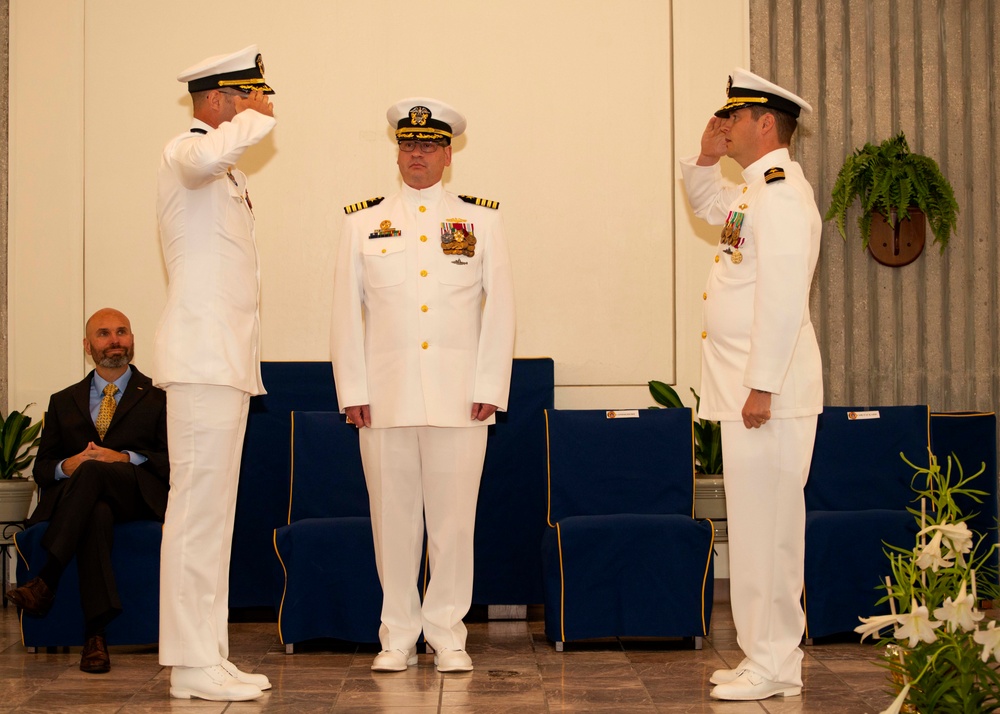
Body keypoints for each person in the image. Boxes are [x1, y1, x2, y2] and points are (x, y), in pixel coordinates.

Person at [331, 98, 516, 674]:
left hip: (463, 397)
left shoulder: (481, 219)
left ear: (448, 153)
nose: (418, 153)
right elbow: (344, 313)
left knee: (455, 522)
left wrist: (491, 383)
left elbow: (501, 309)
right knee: (393, 521)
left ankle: (447, 633)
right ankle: (398, 635)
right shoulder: (361, 222)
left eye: (430, 144)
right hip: (383, 399)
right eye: (408, 144)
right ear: (397, 151)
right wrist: (352, 390)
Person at [679, 68, 823, 701]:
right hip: (746, 392)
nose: (725, 124)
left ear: (767, 124)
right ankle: (760, 653)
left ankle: (777, 663)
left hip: (769, 394)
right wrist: (705, 159)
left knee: (772, 532)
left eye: (734, 117)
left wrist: (762, 384)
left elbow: (785, 297)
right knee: (754, 523)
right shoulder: (751, 192)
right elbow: (710, 206)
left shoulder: (784, 192)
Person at [152, 44, 276, 702]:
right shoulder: (188, 152)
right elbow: (206, 154)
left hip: (223, 362)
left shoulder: (227, 176)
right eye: (255, 95)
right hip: (200, 360)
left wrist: (247, 117)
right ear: (221, 100)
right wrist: (251, 120)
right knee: (196, 514)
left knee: (214, 518)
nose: (267, 107)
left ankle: (211, 654)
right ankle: (191, 663)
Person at [6, 308, 168, 675]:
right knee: (95, 512)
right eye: (104, 333)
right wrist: (69, 466)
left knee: (98, 470)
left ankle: (46, 578)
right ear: (87, 346)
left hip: (137, 494)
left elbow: (172, 459)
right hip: (85, 500)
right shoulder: (63, 400)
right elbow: (44, 468)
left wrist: (124, 457)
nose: (115, 340)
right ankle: (95, 637)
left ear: (132, 340)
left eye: (122, 332)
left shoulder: (159, 395)